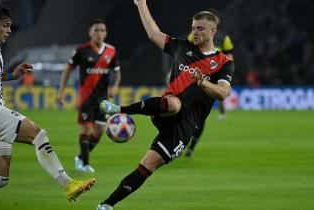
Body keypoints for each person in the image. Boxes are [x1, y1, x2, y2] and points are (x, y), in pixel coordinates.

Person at [96, 0, 235, 209]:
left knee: (147, 166)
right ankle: (120, 109)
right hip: (165, 110)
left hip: (185, 126)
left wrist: (202, 82)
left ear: (213, 30)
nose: (194, 32)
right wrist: (141, 4)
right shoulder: (181, 46)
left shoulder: (224, 62)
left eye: (200, 28)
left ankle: (106, 205)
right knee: (174, 104)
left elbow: (223, 93)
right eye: (193, 28)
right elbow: (153, 33)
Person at [0, 6, 95, 205]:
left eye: (10, 26)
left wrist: (14, 75)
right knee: (37, 133)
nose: (9, 30)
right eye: (5, 26)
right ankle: (68, 184)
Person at [57, 19, 121, 173]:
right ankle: (84, 163)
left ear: (105, 33)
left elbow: (117, 70)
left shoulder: (111, 51)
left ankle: (80, 156)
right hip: (86, 98)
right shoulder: (81, 50)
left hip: (102, 99)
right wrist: (61, 91)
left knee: (99, 131)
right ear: (90, 32)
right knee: (86, 129)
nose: (99, 33)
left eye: (102, 30)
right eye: (96, 30)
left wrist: (115, 86)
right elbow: (67, 70)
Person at [185, 9, 235, 157]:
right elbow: (183, 54)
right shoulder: (194, 36)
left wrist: (228, 79)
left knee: (200, 116)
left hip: (211, 82)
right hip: (192, 79)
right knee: (184, 112)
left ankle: (191, 147)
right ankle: (180, 142)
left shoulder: (224, 38)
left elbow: (229, 58)